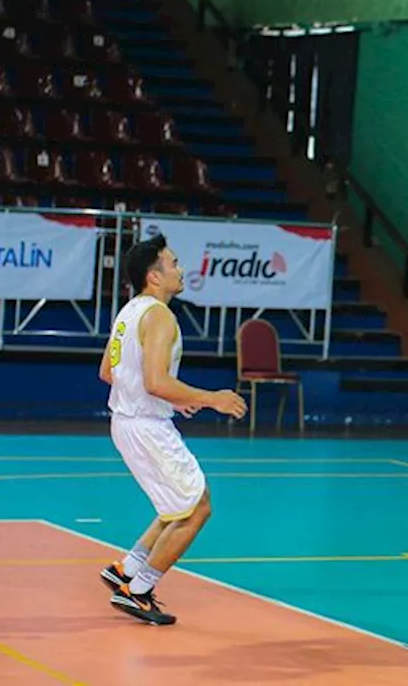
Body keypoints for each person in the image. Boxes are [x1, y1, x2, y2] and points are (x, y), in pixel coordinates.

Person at [97, 233, 248, 626]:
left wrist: (174, 399)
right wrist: (212, 397)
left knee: (174, 505)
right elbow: (154, 381)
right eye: (174, 263)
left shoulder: (129, 311)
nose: (181, 269)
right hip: (146, 427)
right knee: (198, 507)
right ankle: (140, 590)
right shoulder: (160, 316)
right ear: (154, 276)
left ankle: (126, 571)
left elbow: (108, 372)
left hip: (126, 422)